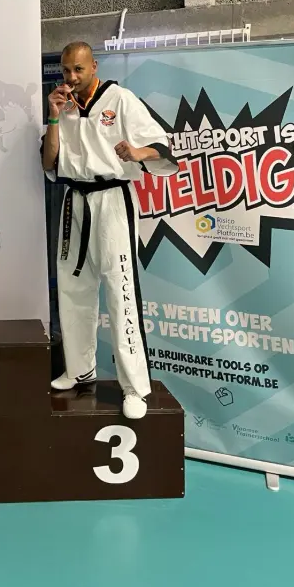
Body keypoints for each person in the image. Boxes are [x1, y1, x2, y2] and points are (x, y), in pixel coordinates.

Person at [42, 42, 178, 419]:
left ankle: (134, 387)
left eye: (78, 69)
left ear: (94, 67)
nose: (71, 77)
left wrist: (137, 153)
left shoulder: (120, 99)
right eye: (66, 70)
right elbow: (48, 162)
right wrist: (53, 117)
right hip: (74, 200)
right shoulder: (63, 106)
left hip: (113, 198)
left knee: (120, 290)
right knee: (73, 288)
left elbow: (162, 147)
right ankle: (79, 369)